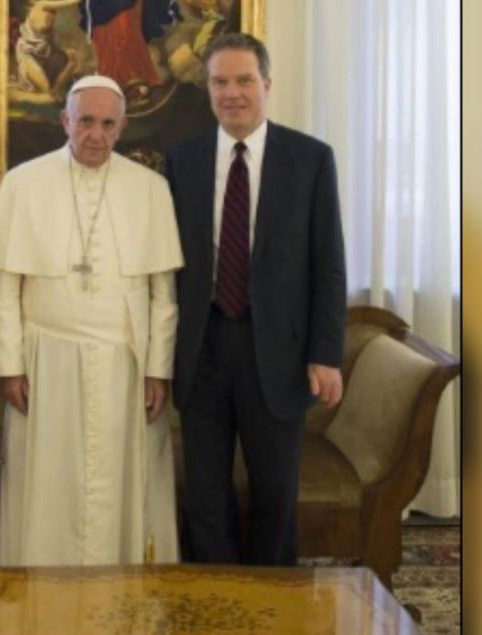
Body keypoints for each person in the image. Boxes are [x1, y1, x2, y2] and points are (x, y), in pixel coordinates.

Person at [0, 74, 184, 566]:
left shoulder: (151, 188)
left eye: (108, 124)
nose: (96, 134)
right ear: (65, 121)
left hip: (126, 364)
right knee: (49, 480)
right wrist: (9, 366)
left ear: (122, 127)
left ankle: (123, 596)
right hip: (45, 360)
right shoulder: (22, 183)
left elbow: (164, 293)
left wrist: (158, 369)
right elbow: (5, 287)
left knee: (120, 481)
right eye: (86, 121)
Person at [165, 33, 347, 566]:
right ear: (208, 89)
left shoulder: (311, 159)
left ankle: (272, 610)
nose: (233, 93)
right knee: (204, 498)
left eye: (245, 81)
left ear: (267, 85)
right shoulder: (183, 161)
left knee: (274, 498)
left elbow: (328, 265)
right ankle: (213, 606)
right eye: (220, 82)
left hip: (280, 354)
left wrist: (326, 353)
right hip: (201, 351)